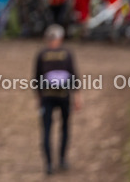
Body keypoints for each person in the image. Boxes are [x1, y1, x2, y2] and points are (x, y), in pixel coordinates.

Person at [34, 24, 80, 175]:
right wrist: (77, 95)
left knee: (47, 129)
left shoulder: (42, 54)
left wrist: (38, 97)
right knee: (64, 127)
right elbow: (73, 75)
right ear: (60, 38)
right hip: (63, 96)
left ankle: (48, 164)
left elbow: (36, 78)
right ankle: (61, 159)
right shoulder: (66, 53)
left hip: (47, 97)